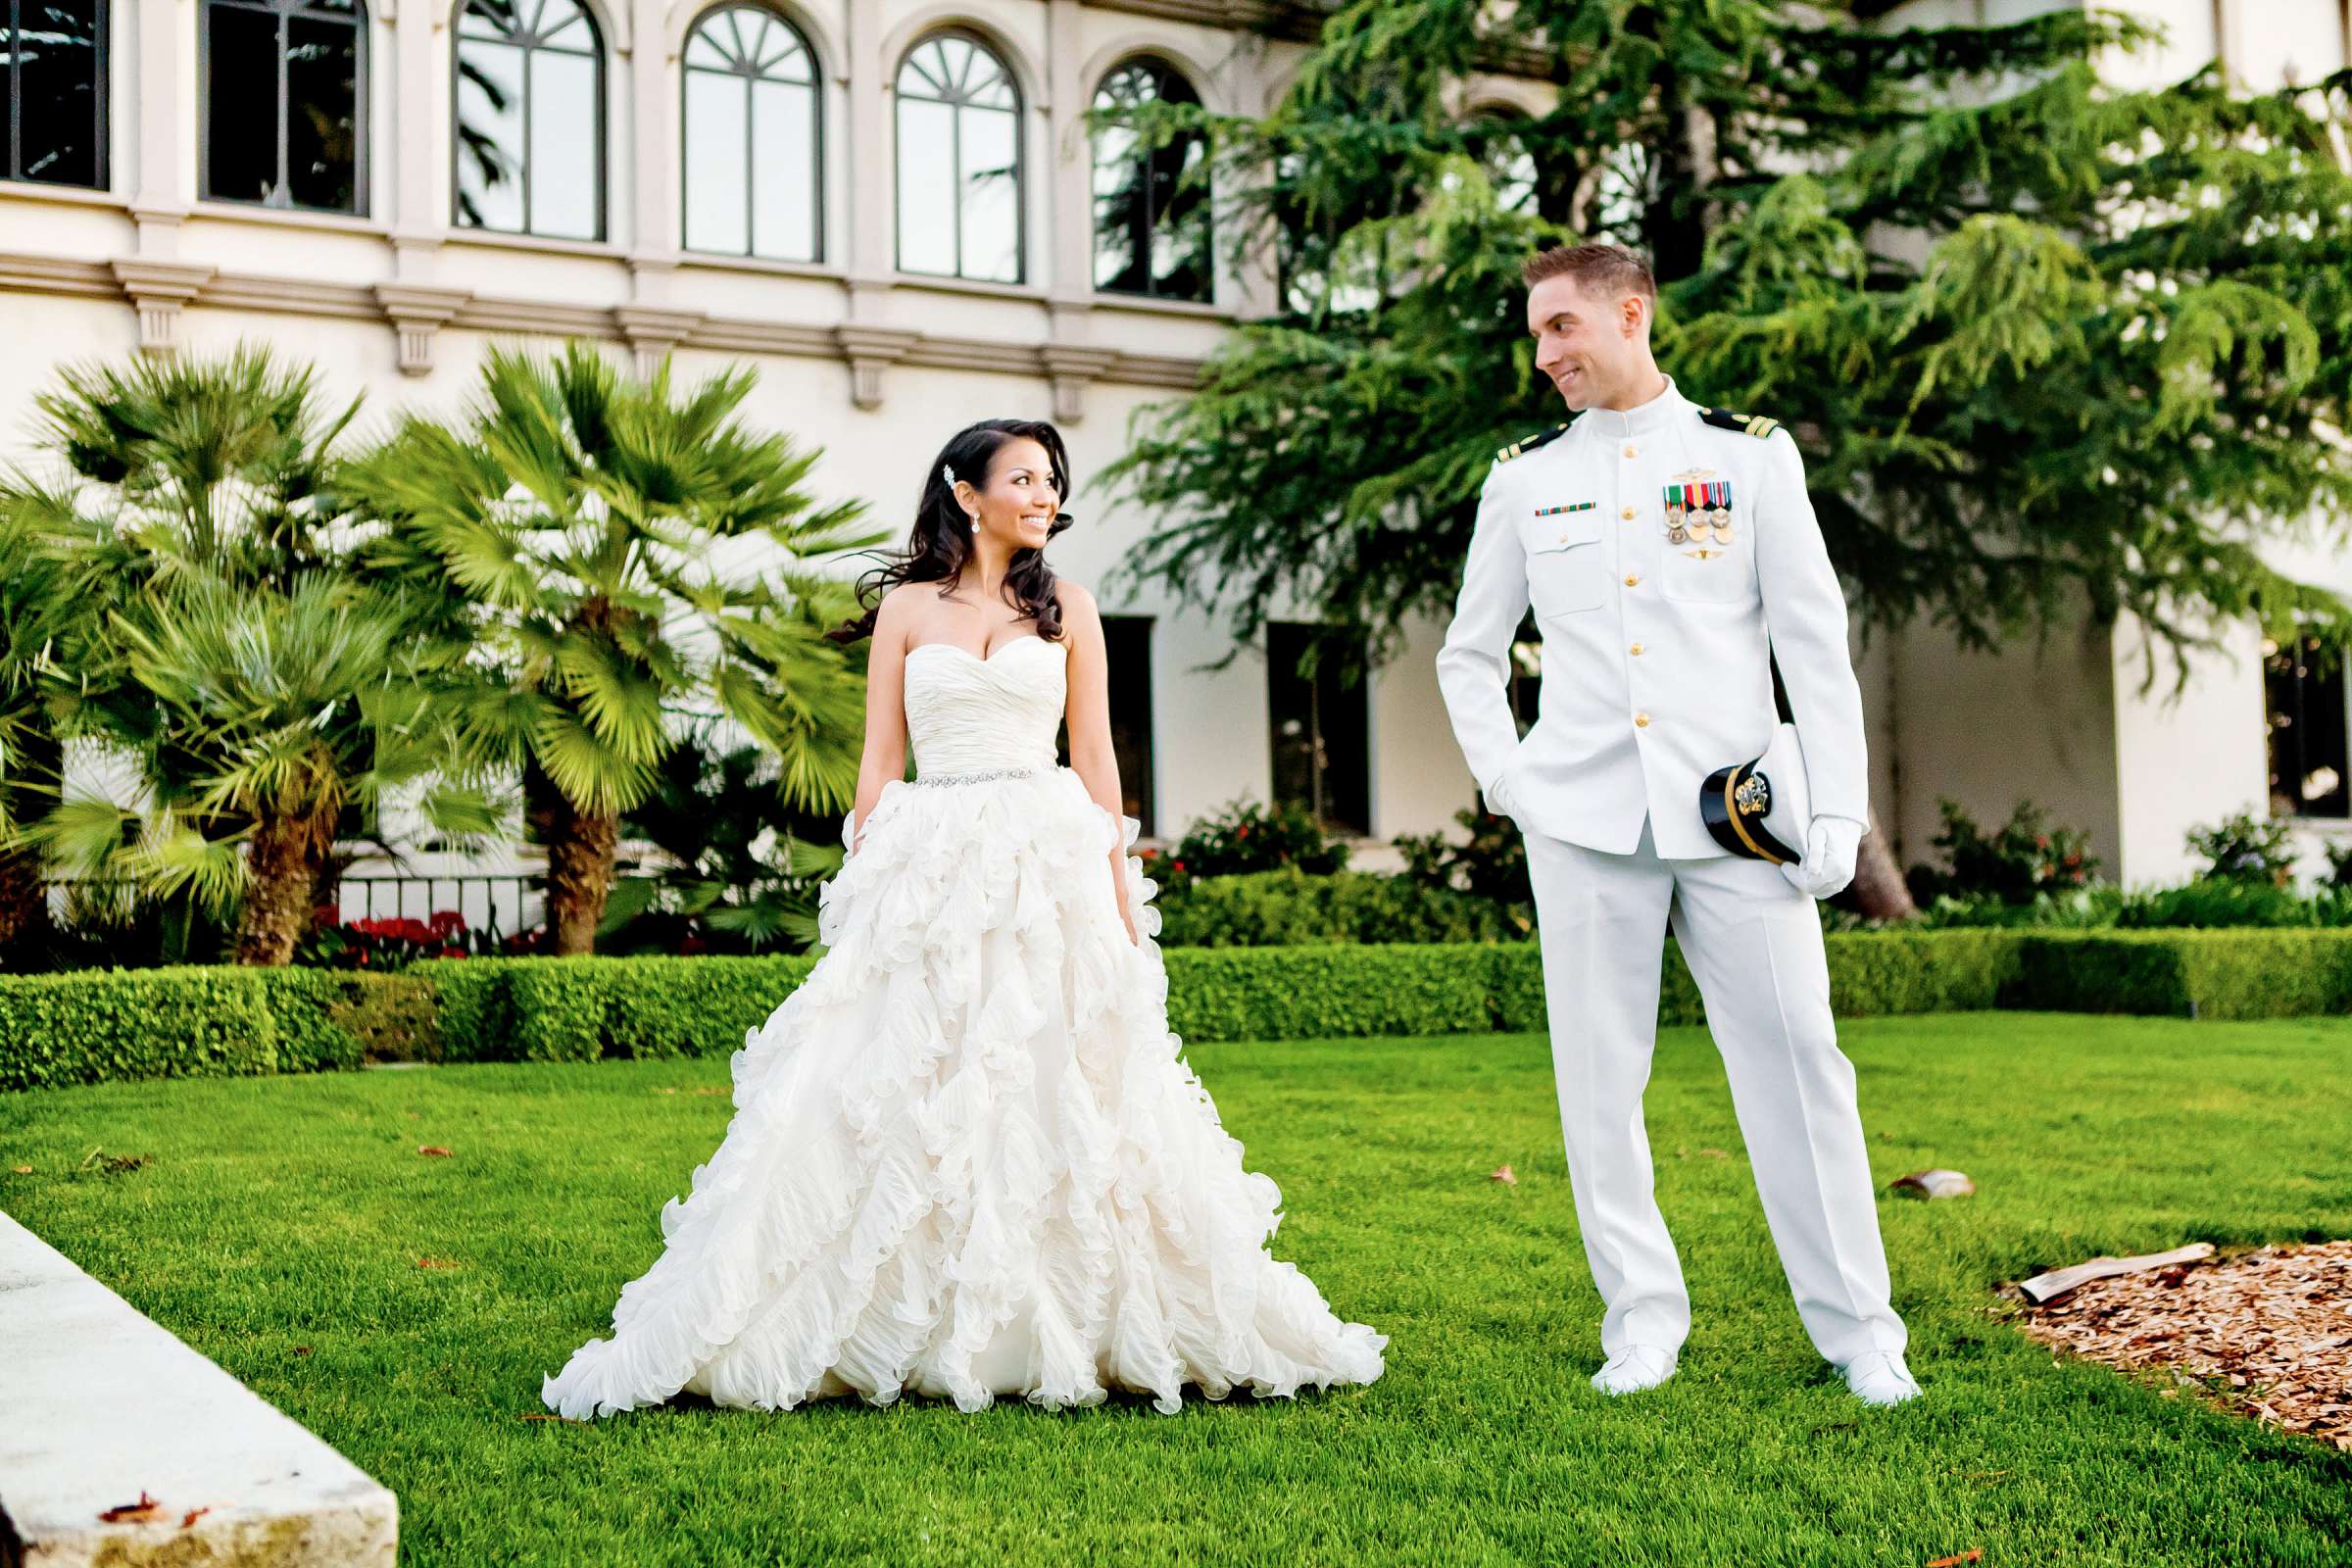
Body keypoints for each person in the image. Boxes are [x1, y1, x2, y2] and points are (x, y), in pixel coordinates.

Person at [542, 417, 1385, 1419]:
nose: (1042, 495)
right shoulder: (906, 609)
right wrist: (866, 876)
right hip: (931, 854)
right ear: (964, 490)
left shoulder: (1071, 606)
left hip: (1043, 851)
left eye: (1051, 480)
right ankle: (889, 1307)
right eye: (1021, 477)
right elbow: (878, 761)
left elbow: (1097, 753)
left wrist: (1118, 872)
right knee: (905, 1071)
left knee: (1052, 1072)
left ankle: (1062, 1311)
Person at [1435, 244, 1919, 1407]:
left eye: (1560, 327)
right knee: (1600, 1083)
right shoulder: (1522, 480)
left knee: (1803, 1065)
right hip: (1586, 822)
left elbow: (1815, 650)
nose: (1544, 353)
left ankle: (1862, 1334)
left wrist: (1839, 814)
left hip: (1741, 820)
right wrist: (1515, 782)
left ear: (1630, 313)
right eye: (1536, 333)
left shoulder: (1747, 460)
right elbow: (1469, 652)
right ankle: (1641, 1323)